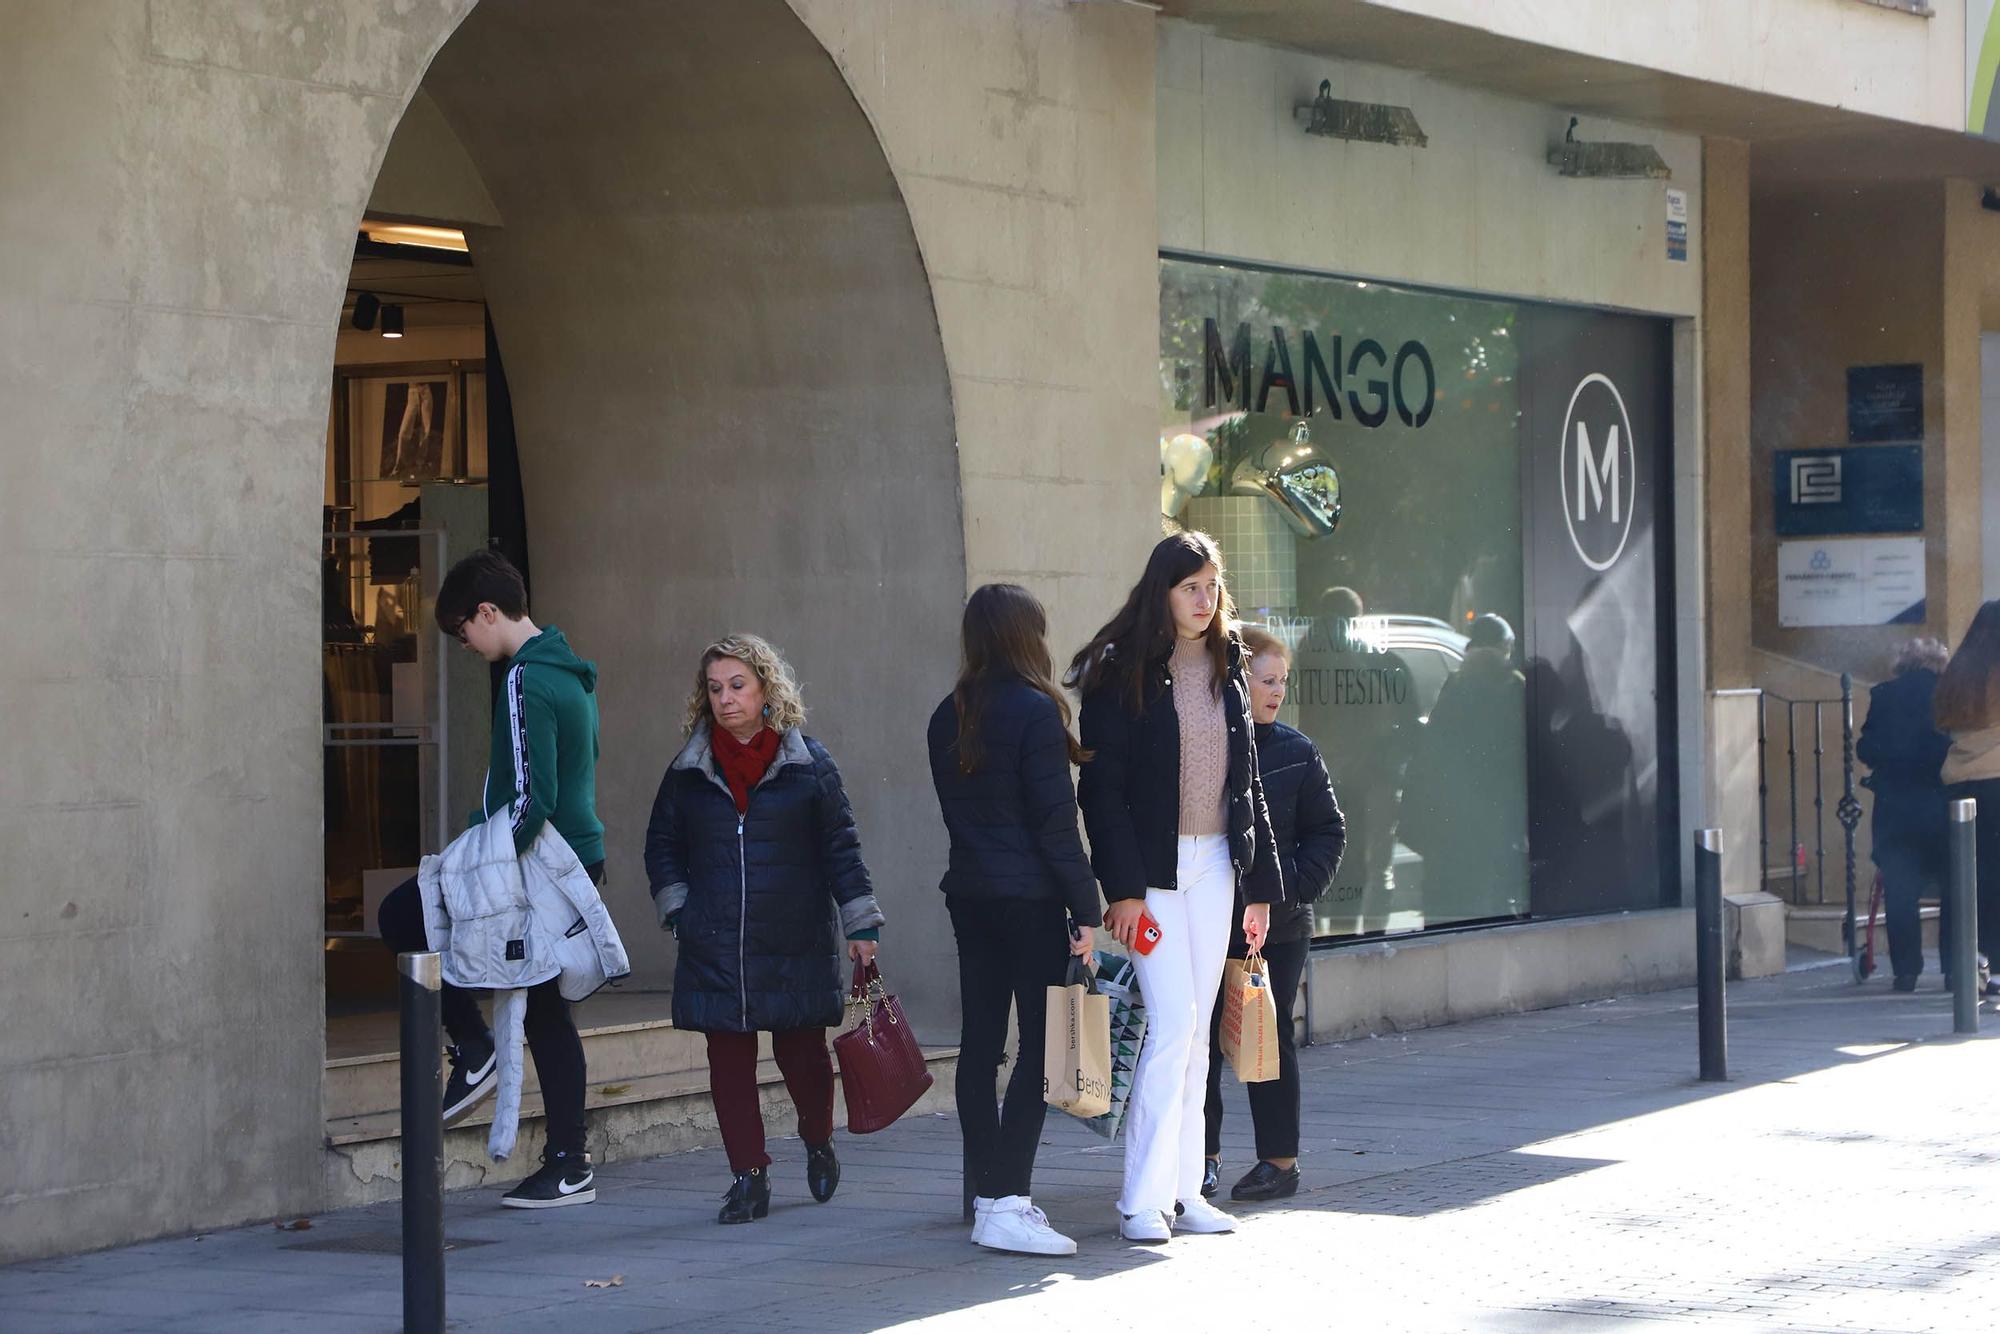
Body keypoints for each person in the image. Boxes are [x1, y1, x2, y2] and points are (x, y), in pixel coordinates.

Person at [1069, 531, 1282, 1244]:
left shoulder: (1230, 664)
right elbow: (1101, 793)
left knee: (1196, 1039)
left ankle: (1187, 1193)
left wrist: (1259, 889)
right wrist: (1123, 891)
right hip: (1154, 875)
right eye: (1190, 586)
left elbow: (1245, 783)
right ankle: (1140, 1201)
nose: (1204, 599)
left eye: (1211, 585)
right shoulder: (1121, 669)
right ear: (1161, 591)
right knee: (1173, 1024)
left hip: (1218, 864)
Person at [376, 548, 605, 1208]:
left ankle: (474, 1049)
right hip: (563, 858)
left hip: (534, 860)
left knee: (401, 916)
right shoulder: (563, 667)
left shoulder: (526, 678)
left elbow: (536, 793)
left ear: (485, 613)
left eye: (463, 632)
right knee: (545, 1010)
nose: (467, 645)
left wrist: (485, 865)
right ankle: (569, 1161)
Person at [644, 634, 886, 1224]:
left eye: (737, 686)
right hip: (716, 942)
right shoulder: (688, 771)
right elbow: (662, 846)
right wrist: (680, 912)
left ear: (765, 689)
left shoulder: (809, 764)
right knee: (727, 1062)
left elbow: (841, 849)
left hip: (794, 937)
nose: (726, 699)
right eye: (715, 688)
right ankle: (748, 1176)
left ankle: (816, 1137)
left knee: (802, 1057)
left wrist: (860, 924)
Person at [927, 584, 1102, 1256]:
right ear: (1026, 637)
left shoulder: (949, 714)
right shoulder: (1034, 712)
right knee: (1043, 1045)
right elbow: (1057, 828)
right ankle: (1009, 1198)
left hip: (969, 894)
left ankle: (984, 1192)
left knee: (980, 1046)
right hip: (1030, 899)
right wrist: (1085, 910)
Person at [1201, 626, 1342, 1203]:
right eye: (1266, 680)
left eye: (1283, 681)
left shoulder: (1297, 750)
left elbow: (1328, 833)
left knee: (1269, 1039)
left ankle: (1279, 1162)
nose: (1277, 691)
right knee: (1200, 1042)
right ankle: (1201, 1157)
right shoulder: (1209, 748)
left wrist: (1288, 891)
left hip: (1278, 931)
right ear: (1238, 681)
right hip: (1210, 921)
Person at [1398, 614, 1530, 925]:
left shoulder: (1456, 684)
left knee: (1449, 904)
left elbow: (1431, 752)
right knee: (1493, 903)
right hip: (1495, 816)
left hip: (1452, 816)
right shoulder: (1513, 685)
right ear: (1504, 647)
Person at [1856, 637, 1952, 991]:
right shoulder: (1948, 694)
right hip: (1941, 804)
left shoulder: (1884, 694)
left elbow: (1866, 747)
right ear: (1938, 664)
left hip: (1895, 807)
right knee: (1954, 889)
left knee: (1900, 892)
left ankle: (1906, 971)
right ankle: (1955, 970)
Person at [1934, 604, 2000, 994]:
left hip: (1959, 783)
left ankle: (1959, 965)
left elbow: (1940, 721)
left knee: (1963, 878)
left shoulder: (1958, 675)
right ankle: (1996, 969)